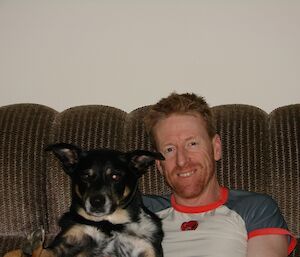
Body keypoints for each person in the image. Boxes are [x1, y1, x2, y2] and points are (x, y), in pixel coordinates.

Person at [142, 92, 296, 257]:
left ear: (216, 148)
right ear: (159, 164)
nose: (182, 161)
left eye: (192, 144)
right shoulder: (138, 209)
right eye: (170, 149)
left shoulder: (255, 208)